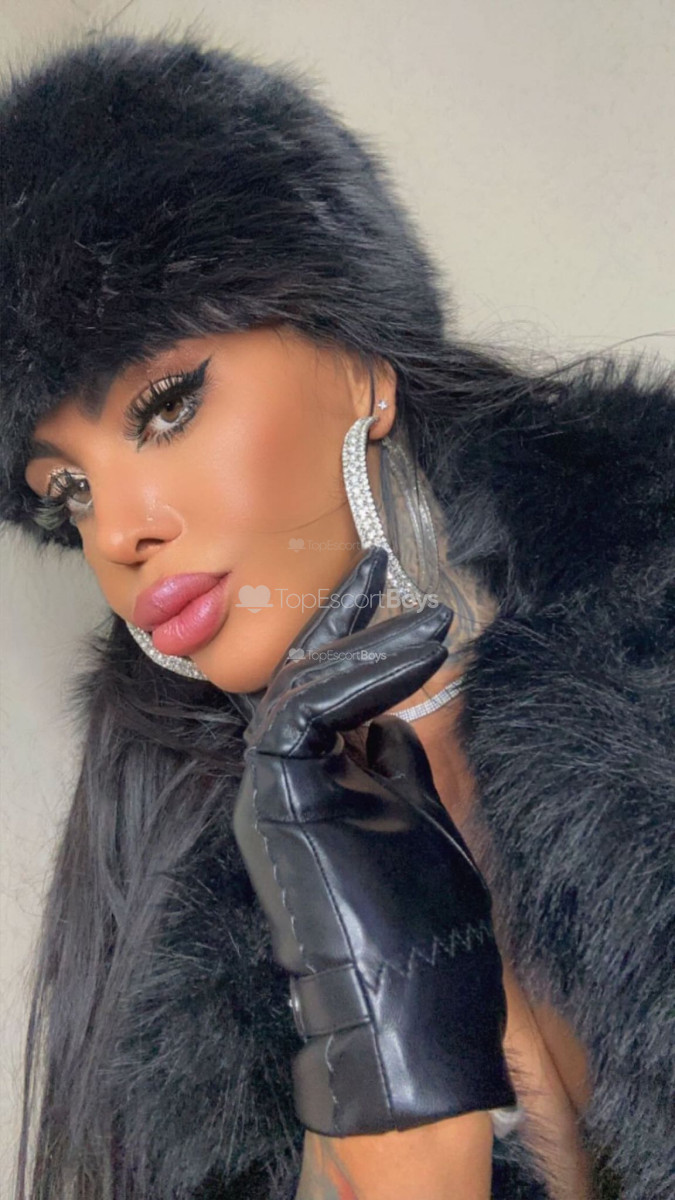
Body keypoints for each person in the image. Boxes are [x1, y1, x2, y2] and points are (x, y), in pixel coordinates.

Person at [1, 32, 673, 1200]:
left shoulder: (645, 605)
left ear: (361, 366)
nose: (118, 532)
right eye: (69, 491)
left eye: (165, 406)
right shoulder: (181, 891)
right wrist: (393, 1079)